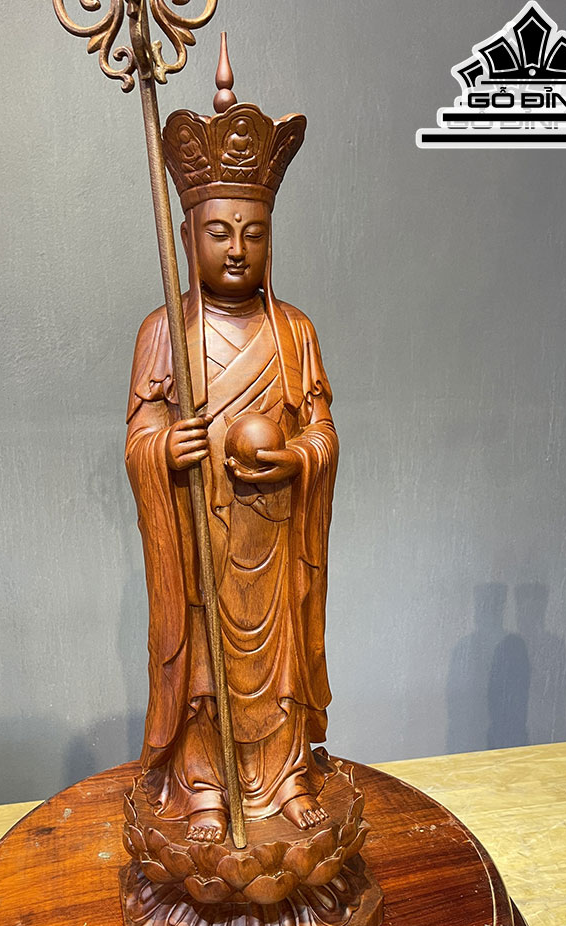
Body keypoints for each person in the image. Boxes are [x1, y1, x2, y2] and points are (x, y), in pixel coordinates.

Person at [125, 95, 338, 843]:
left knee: (278, 667)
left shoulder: (294, 332)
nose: (238, 248)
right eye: (219, 231)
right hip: (200, 544)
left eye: (254, 232)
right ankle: (206, 786)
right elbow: (140, 435)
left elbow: (322, 432)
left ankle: (284, 779)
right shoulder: (164, 331)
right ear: (188, 236)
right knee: (204, 674)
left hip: (272, 541)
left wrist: (298, 457)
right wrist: (163, 449)